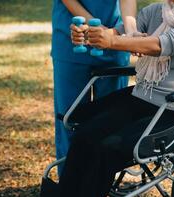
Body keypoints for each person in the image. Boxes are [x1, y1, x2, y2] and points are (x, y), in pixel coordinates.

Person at [59, 0, 174, 197]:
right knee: (84, 134)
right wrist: (88, 35)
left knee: (107, 148)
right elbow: (119, 34)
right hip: (141, 98)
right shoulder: (154, 11)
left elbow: (159, 44)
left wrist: (111, 42)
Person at [51, 0, 137, 175]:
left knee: (111, 120)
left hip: (112, 41)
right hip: (73, 40)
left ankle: (102, 183)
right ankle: (69, 182)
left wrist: (130, 31)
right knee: (69, 118)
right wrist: (94, 26)